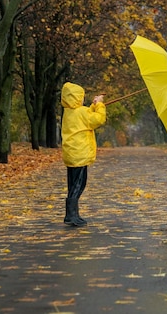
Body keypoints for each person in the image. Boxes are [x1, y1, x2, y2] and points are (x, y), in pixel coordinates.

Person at [61, 81, 106, 227]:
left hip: (72, 154)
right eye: (81, 97)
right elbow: (98, 119)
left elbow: (86, 115)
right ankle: (71, 215)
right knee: (79, 184)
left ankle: (73, 214)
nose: (82, 99)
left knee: (73, 184)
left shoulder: (69, 112)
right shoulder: (81, 112)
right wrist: (99, 105)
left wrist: (94, 105)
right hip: (79, 154)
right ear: (77, 98)